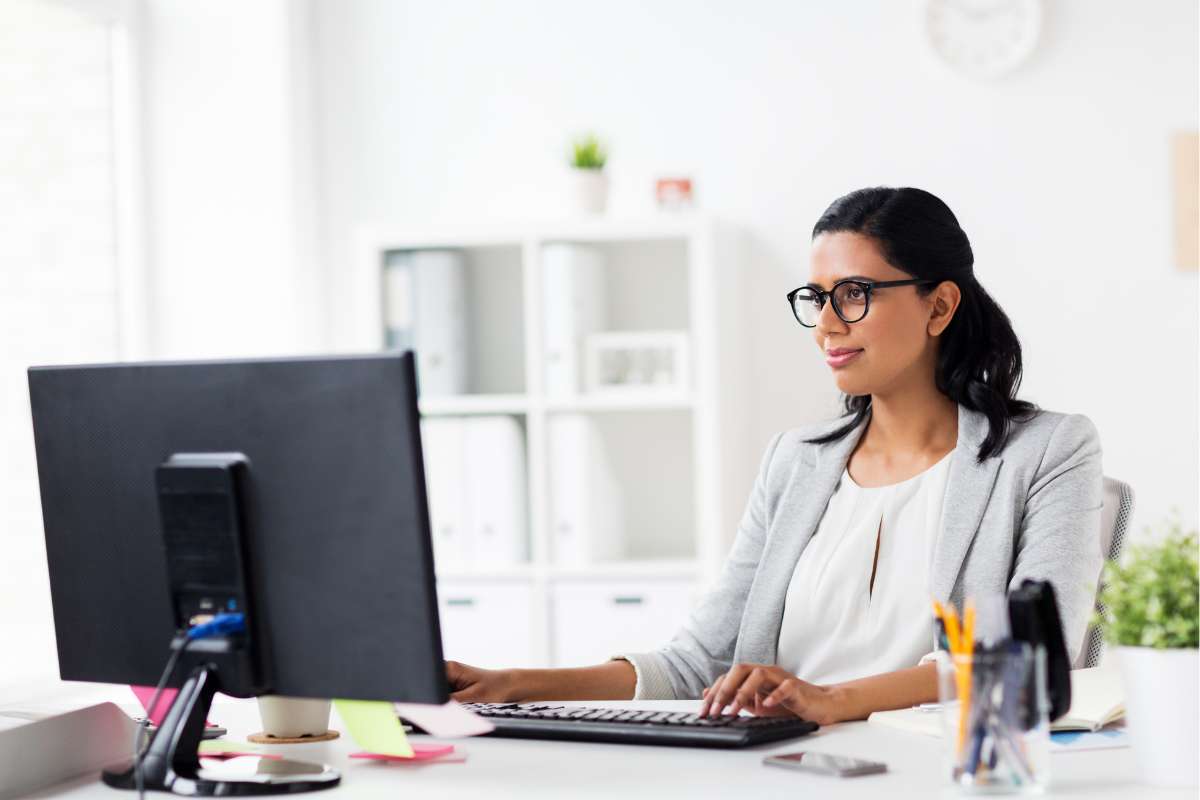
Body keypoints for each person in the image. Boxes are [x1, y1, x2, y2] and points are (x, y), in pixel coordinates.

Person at [445, 186, 1104, 726]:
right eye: (817, 298)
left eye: (854, 294)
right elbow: (699, 663)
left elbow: (1029, 658)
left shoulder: (1047, 452)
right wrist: (513, 684)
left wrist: (830, 701)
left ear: (939, 305)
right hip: (773, 773)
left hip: (934, 777)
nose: (825, 324)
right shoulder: (795, 462)